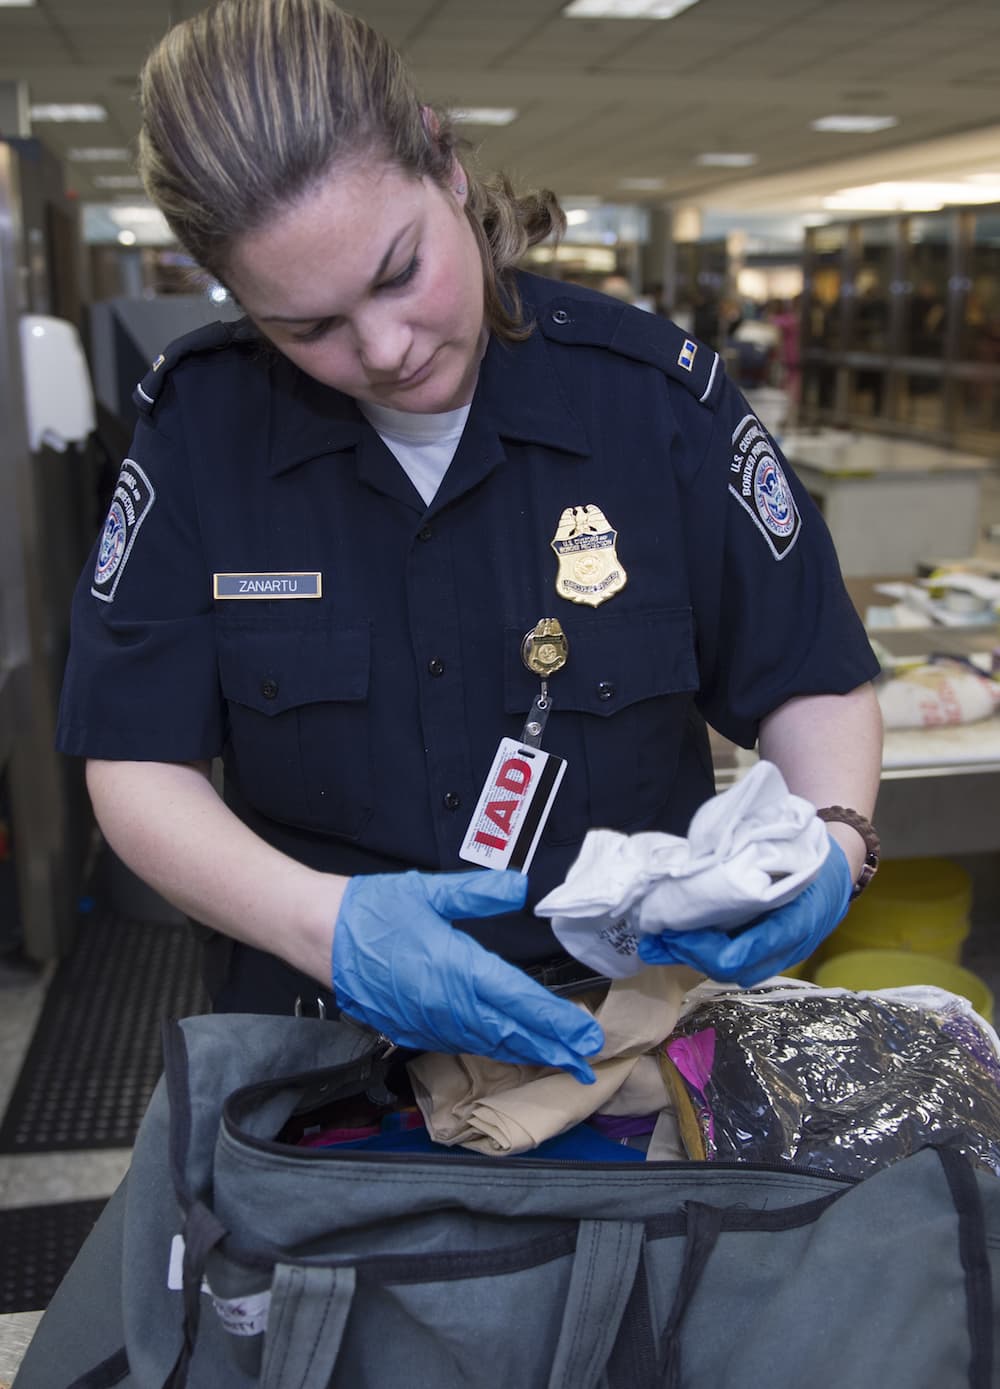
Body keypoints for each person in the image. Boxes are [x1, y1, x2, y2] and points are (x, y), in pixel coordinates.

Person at [56, 0, 883, 1083]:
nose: (385, 349)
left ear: (442, 163)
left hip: (625, 1044)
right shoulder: (201, 434)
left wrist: (830, 838)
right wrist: (330, 928)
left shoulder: (650, 404)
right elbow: (137, 762)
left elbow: (808, 674)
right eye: (306, 327)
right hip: (324, 1052)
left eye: (397, 273)